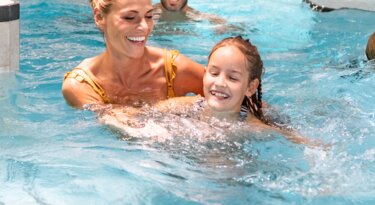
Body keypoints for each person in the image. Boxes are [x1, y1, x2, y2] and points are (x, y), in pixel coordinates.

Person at [97, 36, 323, 146]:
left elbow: (301, 143)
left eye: (233, 77)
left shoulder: (252, 127)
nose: (220, 83)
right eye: (214, 73)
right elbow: (120, 114)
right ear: (204, 74)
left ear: (250, 87)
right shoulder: (185, 106)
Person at [62, 0, 205, 108]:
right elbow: (124, 126)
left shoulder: (174, 69)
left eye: (149, 16)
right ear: (99, 17)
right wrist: (173, 105)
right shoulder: (82, 85)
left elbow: (225, 97)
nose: (144, 27)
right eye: (130, 17)